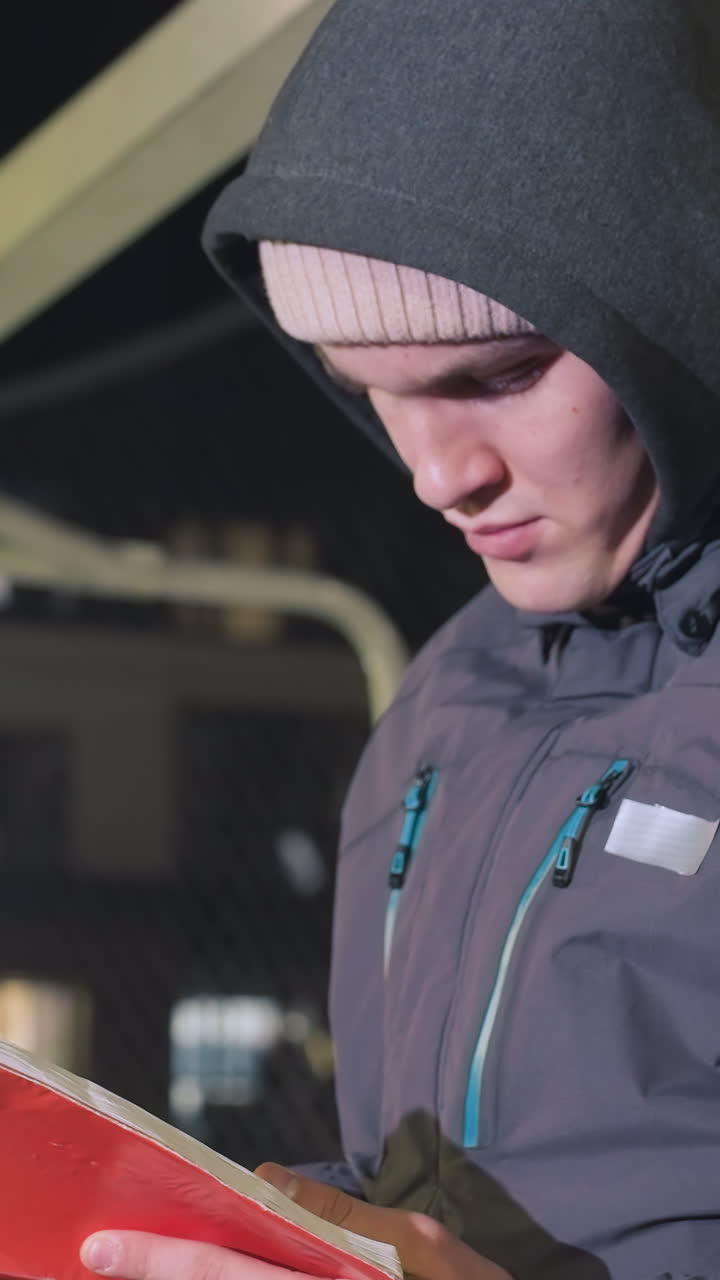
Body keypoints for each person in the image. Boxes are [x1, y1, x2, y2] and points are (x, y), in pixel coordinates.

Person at [81, 1, 720, 1278]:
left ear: (680, 292)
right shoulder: (445, 700)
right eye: (366, 386)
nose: (437, 477)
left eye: (495, 373)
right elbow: (457, 1192)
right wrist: (286, 1221)